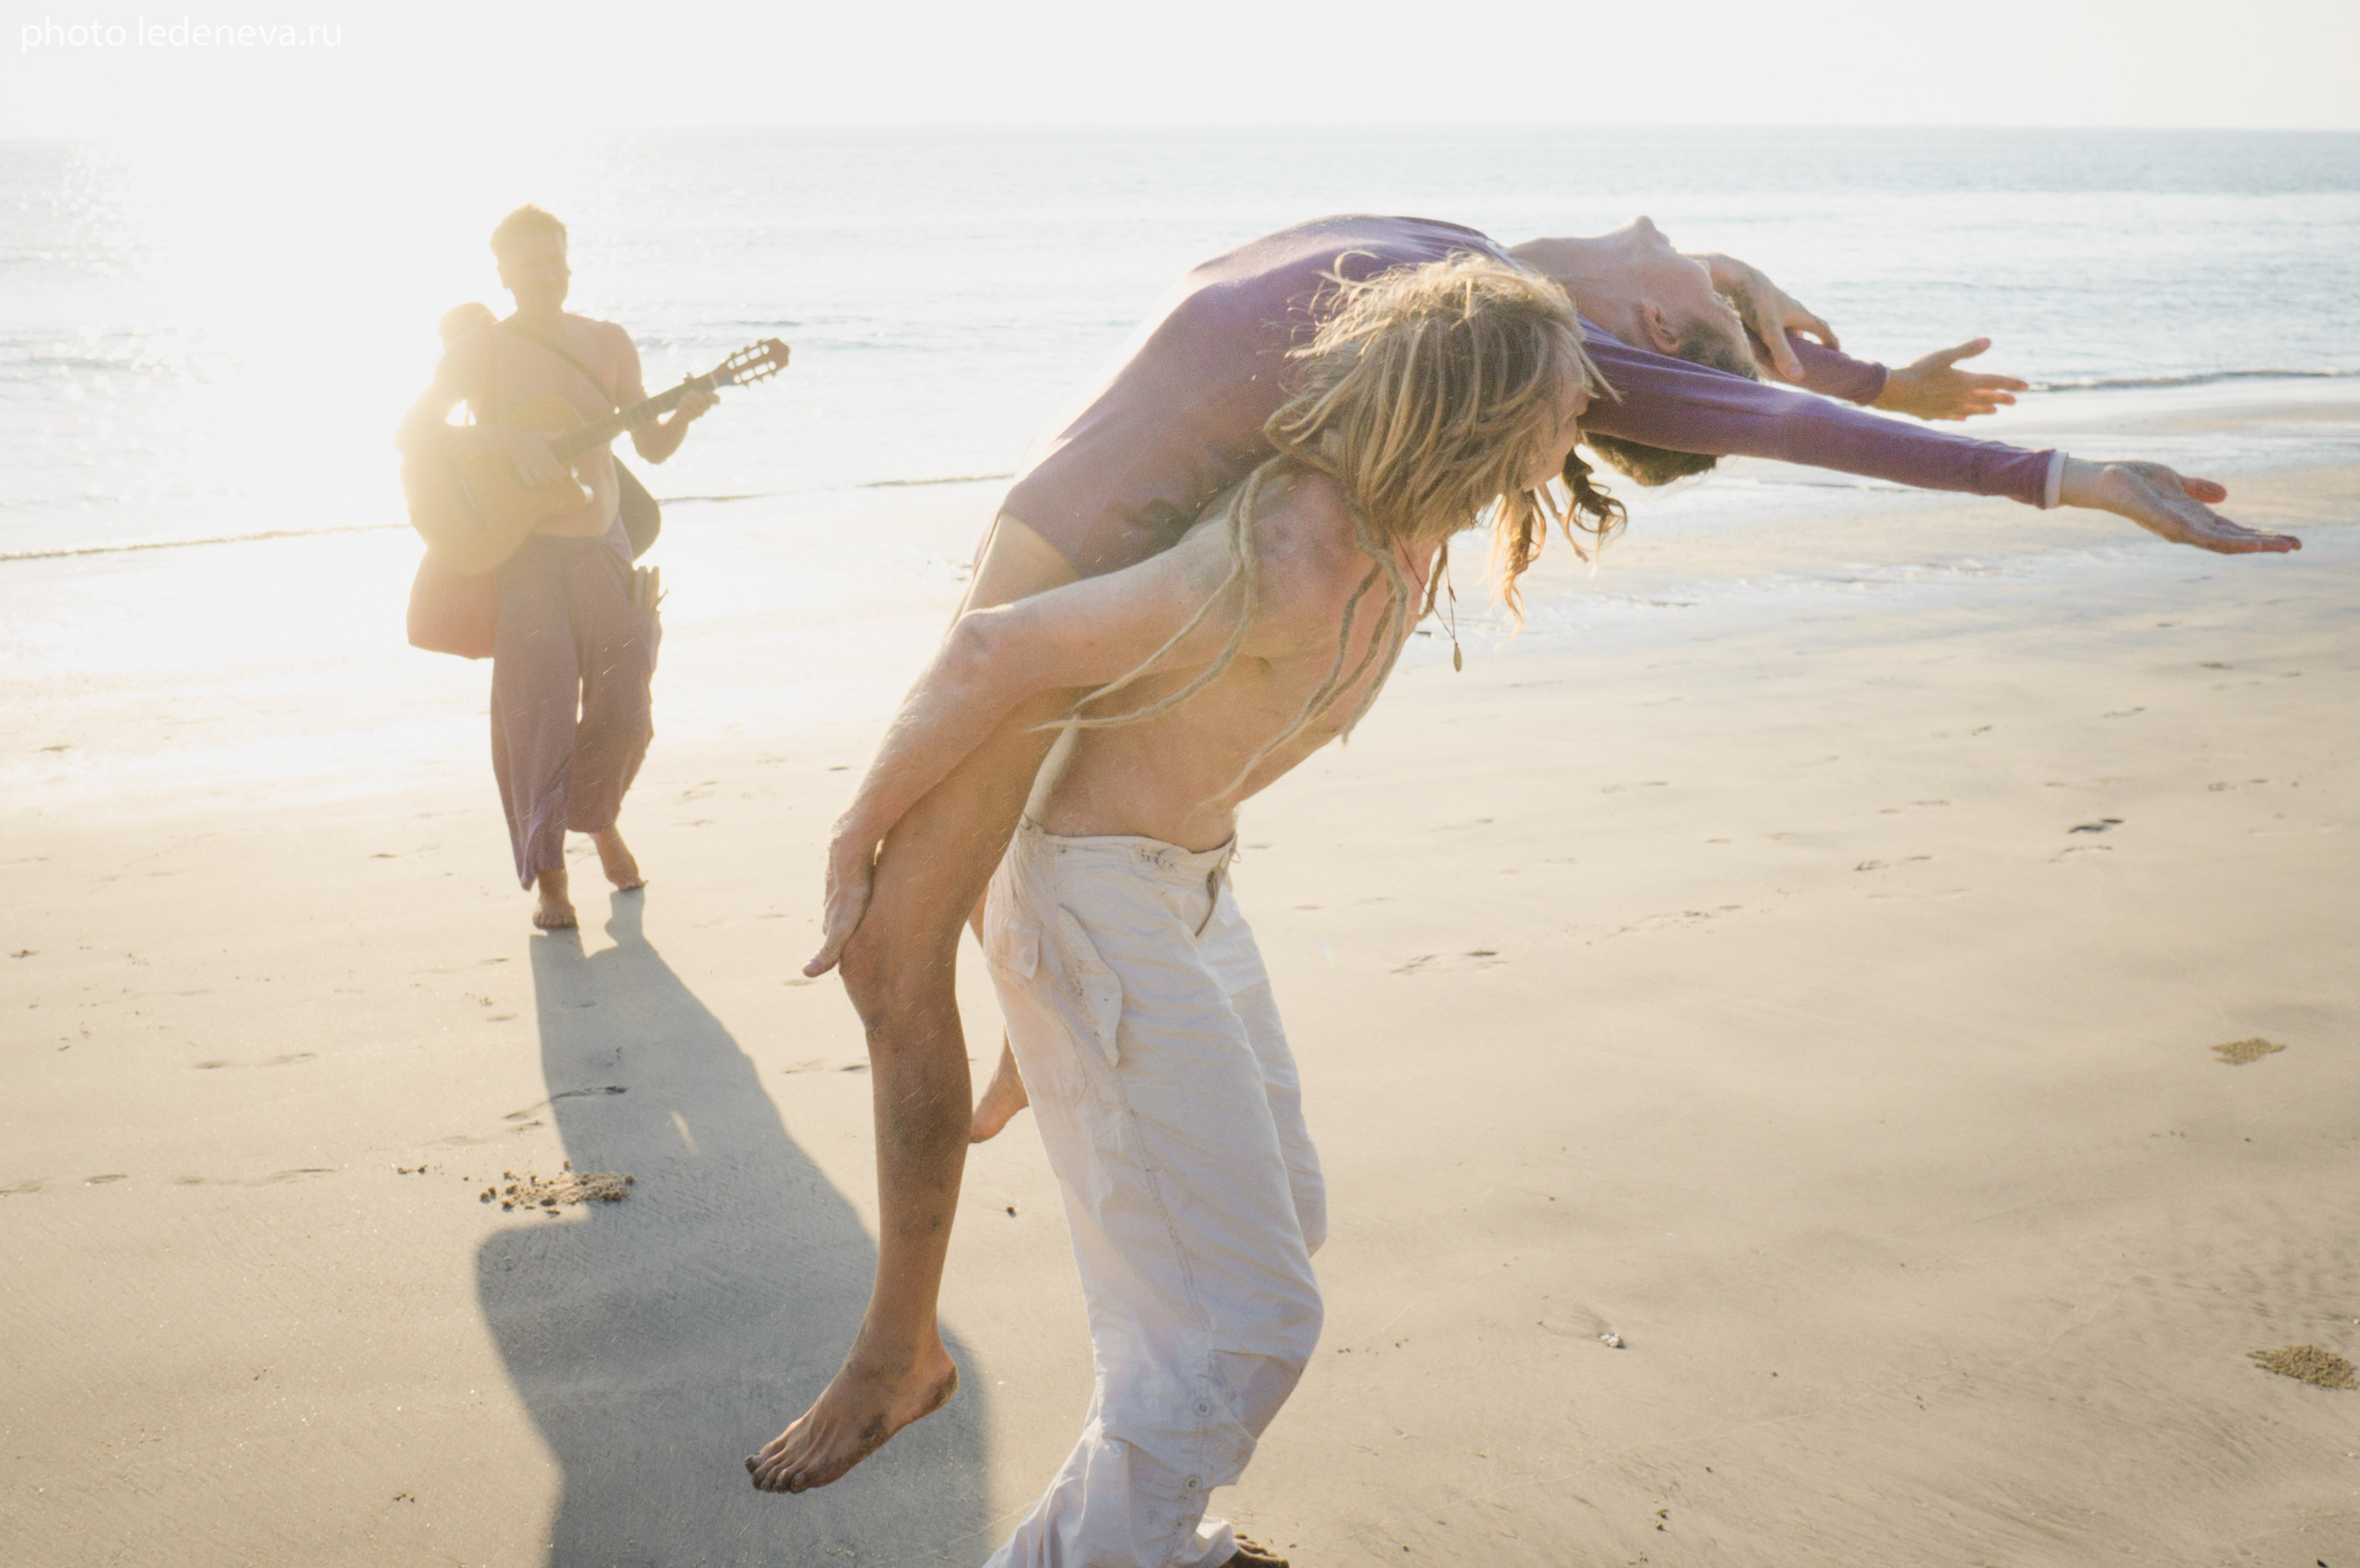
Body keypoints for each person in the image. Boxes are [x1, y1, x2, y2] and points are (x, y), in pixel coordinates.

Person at [747, 213, 2300, 1500]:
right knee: (896, 965)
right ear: (1646, 317)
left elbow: (1741, 387)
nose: (1632, 380)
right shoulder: (1487, 304)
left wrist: (1868, 374)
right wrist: (2041, 466)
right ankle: (905, 1349)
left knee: (1178, 1147)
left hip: (1117, 693)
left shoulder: (1502, 303)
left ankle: (1030, 1349)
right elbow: (1754, 399)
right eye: (1708, 322)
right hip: (1059, 572)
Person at [785, 253, 1597, 1566]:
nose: (1594, 407)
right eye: (1569, 391)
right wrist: (856, 833)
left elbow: (1705, 396)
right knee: (1251, 1320)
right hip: (1099, 902)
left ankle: (1147, 1531)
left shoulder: (1418, 531)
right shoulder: (1294, 548)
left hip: (1186, 895)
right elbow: (1001, 648)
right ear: (1487, 408)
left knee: (1268, 1236)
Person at [395, 206, 715, 928]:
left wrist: (687, 413)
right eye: (533, 263)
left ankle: (596, 817)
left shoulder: (607, 343)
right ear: (504, 274)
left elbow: (653, 448)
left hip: (605, 546)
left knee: (627, 705)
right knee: (537, 715)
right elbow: (412, 433)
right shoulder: (484, 352)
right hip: (528, 555)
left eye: (558, 261)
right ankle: (551, 875)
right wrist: (506, 439)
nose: (549, 274)